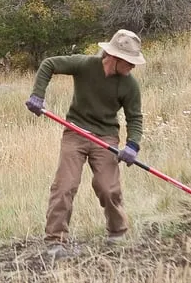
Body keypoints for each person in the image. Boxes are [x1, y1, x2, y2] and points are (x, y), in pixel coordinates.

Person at [25, 29, 146, 255]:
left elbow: (135, 118)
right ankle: (55, 241)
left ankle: (117, 233)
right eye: (130, 62)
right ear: (115, 58)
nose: (133, 67)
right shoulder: (85, 65)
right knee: (65, 185)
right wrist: (38, 95)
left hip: (106, 137)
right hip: (75, 131)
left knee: (107, 188)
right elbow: (49, 64)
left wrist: (132, 145)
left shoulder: (130, 85)